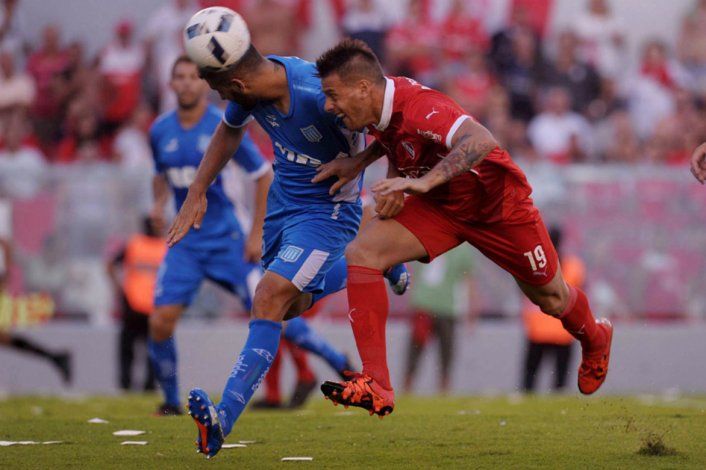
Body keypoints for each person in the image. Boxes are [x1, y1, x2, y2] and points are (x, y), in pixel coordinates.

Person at [313, 39, 613, 417]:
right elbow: (392, 136)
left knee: (550, 298)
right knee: (363, 253)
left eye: (331, 95)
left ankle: (595, 335)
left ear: (362, 88)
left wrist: (422, 182)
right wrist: (359, 162)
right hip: (443, 207)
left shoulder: (420, 106)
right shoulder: (381, 107)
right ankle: (377, 384)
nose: (328, 106)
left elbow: (480, 140)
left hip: (497, 208)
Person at [166, 9, 409, 458]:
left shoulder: (320, 93)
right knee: (290, 305)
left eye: (220, 90)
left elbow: (392, 122)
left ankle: (222, 421)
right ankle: (380, 262)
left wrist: (358, 164)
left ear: (235, 85)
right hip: (284, 210)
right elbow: (228, 133)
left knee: (269, 297)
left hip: (328, 212)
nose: (221, 98)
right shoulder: (252, 87)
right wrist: (196, 190)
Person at [149, 54, 360, 419]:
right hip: (187, 243)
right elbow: (160, 174)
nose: (186, 83)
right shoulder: (159, 130)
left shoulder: (225, 119)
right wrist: (159, 203)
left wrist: (254, 233)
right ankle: (170, 401)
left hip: (230, 239)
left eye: (191, 77)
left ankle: (335, 360)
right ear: (169, 84)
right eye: (178, 77)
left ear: (203, 85)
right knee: (160, 320)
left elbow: (262, 173)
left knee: (278, 304)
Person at [403, 245, 474, 394]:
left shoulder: (429, 239)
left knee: (444, 354)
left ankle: (442, 390)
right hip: (426, 306)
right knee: (417, 352)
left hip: (444, 308)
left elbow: (468, 281)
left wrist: (471, 311)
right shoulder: (461, 246)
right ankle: (408, 389)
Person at [107, 216, 165, 392]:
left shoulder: (134, 244)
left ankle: (125, 385)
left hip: (134, 303)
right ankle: (148, 386)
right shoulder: (165, 246)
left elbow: (110, 264)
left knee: (128, 349)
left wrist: (119, 287)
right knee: (153, 350)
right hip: (154, 305)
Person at [521, 227, 582, 393]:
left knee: (529, 379)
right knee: (560, 382)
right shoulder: (573, 266)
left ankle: (527, 410)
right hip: (563, 330)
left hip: (538, 329)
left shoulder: (533, 263)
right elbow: (578, 297)